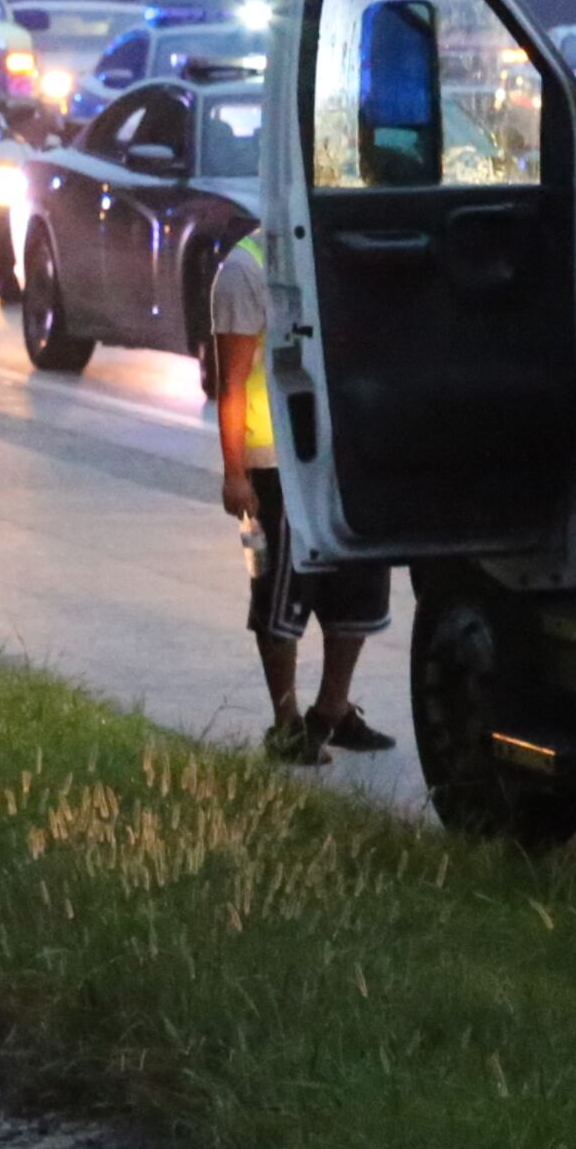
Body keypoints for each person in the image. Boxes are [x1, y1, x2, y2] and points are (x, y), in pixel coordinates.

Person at [208, 233, 394, 763]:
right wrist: (235, 472)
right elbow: (232, 381)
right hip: (279, 464)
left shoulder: (340, 247)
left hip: (345, 453)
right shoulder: (245, 270)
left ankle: (332, 711)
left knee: (358, 592)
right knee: (280, 598)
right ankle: (287, 723)